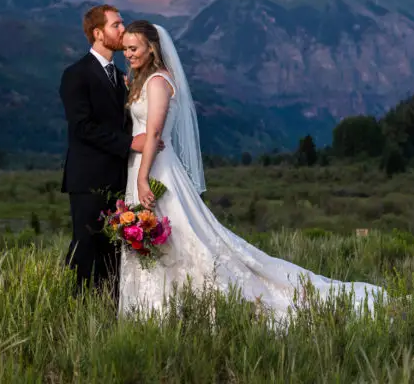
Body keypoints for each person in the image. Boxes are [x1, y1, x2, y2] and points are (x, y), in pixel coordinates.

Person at [117, 20, 387, 325]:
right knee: (162, 239)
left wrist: (142, 178)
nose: (127, 54)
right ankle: (155, 310)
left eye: (133, 48)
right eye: (125, 48)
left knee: (174, 239)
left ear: (151, 48)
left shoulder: (156, 82)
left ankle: (174, 309)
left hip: (155, 170)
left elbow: (153, 133)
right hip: (144, 165)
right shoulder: (145, 80)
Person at [59, 4, 162, 300]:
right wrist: (130, 143)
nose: (123, 29)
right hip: (88, 179)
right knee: (86, 249)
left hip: (120, 178)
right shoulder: (76, 74)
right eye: (116, 25)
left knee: (114, 254)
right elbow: (82, 127)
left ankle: (109, 311)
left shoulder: (121, 76)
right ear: (97, 33)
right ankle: (76, 312)